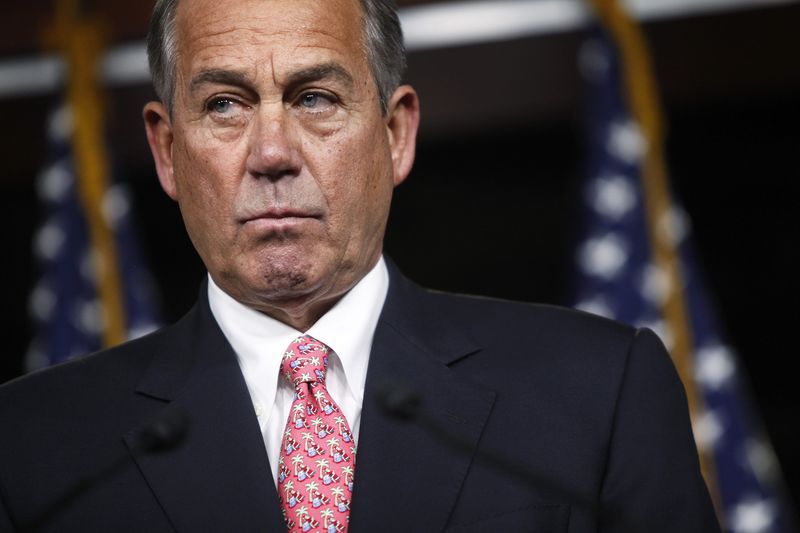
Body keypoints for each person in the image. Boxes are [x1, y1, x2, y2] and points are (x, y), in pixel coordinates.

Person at [0, 0, 720, 531]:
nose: (272, 153)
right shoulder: (32, 445)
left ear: (396, 132)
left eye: (315, 98)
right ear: (166, 151)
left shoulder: (599, 391)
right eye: (225, 104)